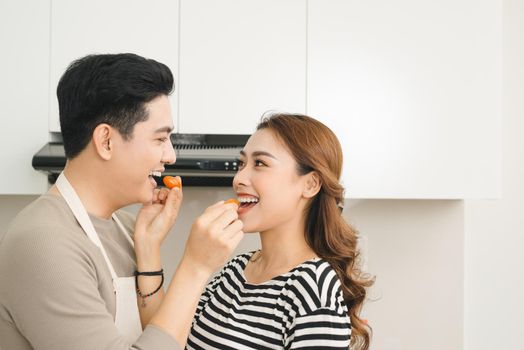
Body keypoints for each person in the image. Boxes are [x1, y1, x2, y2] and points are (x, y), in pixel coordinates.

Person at [0, 53, 244, 349]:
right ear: (106, 141)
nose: (171, 156)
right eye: (159, 139)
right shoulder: (43, 243)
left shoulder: (129, 228)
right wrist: (196, 267)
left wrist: (149, 252)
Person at [187, 113, 374, 350]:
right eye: (241, 164)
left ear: (310, 184)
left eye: (260, 163)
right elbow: (172, 341)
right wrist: (149, 244)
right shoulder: (235, 269)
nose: (238, 179)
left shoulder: (313, 289)